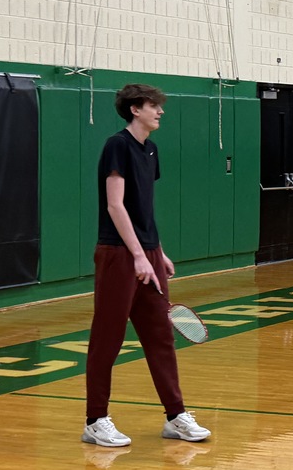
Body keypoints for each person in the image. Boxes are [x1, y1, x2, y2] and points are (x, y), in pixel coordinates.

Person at [82, 84, 211, 448]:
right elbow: (115, 206)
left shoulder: (150, 150)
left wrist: (157, 251)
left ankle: (175, 416)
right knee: (108, 338)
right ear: (135, 109)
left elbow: (144, 209)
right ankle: (95, 420)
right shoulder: (117, 146)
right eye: (154, 106)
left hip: (147, 252)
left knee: (160, 336)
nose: (160, 111)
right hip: (117, 254)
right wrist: (138, 254)